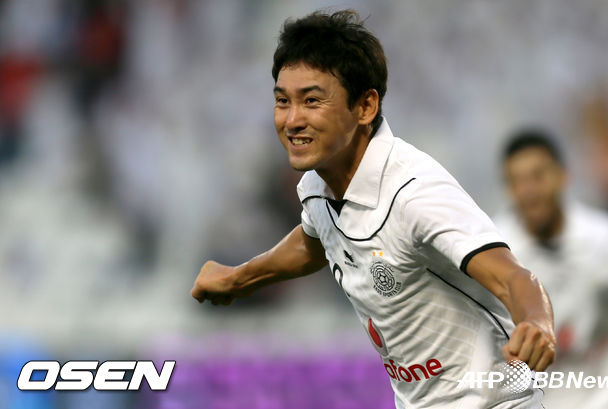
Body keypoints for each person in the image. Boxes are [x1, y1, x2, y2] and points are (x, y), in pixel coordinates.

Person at [191, 10, 555, 408]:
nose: (292, 120)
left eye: (311, 100)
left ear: (365, 106)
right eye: (283, 101)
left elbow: (511, 276)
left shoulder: (414, 193)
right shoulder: (318, 185)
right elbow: (314, 240)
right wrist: (238, 278)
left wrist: (536, 322)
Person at [495, 129, 608, 409]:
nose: (529, 191)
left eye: (538, 176)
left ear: (563, 175)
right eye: (517, 181)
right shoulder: (497, 255)